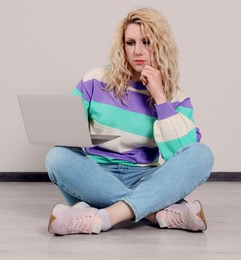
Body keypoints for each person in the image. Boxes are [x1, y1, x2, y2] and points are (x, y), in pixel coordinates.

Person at [45, 7, 214, 235]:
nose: (138, 51)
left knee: (202, 155)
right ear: (122, 46)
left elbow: (182, 152)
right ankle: (157, 213)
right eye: (130, 43)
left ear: (161, 45)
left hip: (147, 177)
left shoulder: (176, 97)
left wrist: (160, 97)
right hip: (97, 175)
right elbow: (68, 132)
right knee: (56, 156)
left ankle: (103, 216)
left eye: (146, 41)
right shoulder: (95, 79)